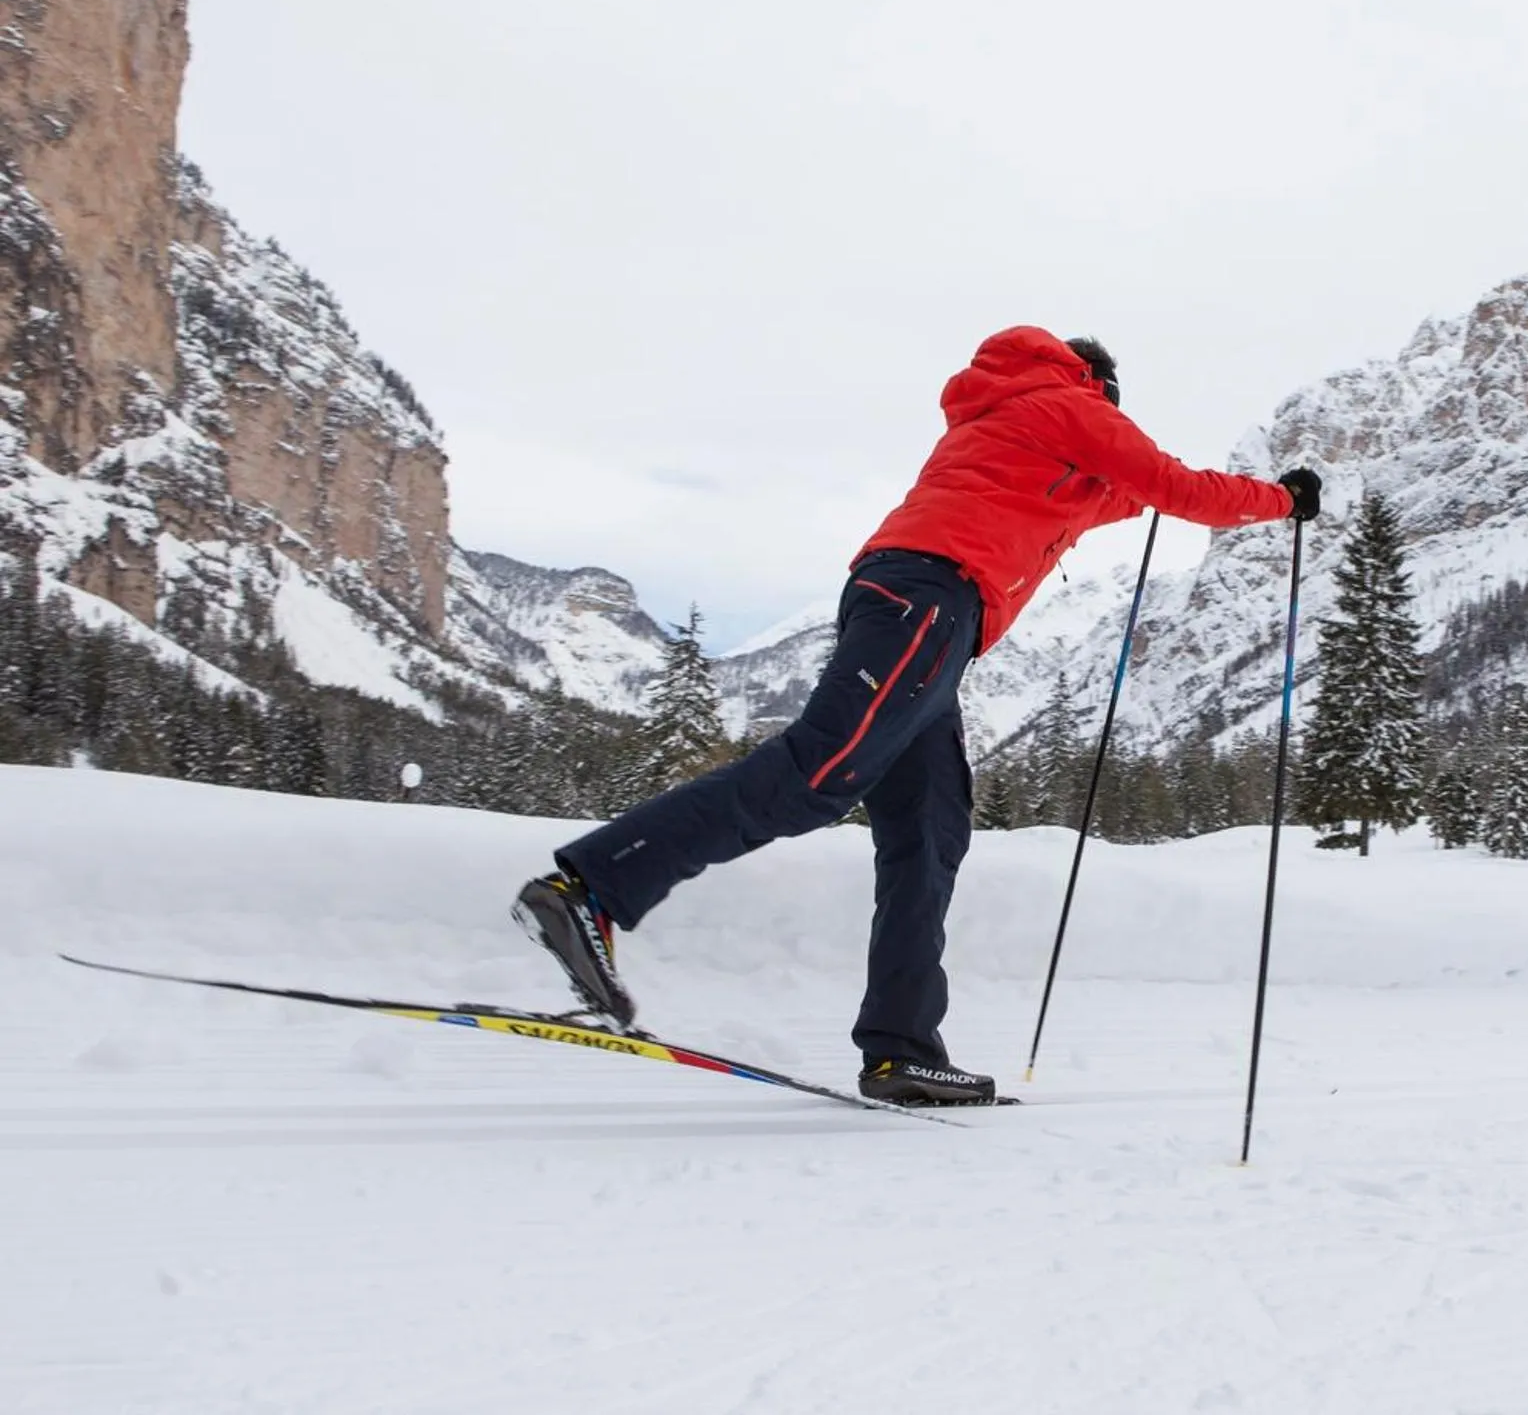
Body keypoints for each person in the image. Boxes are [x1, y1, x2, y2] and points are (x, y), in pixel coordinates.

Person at [515, 326, 1321, 1105]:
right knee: (819, 775)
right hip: (927, 600)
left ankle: (902, 1049)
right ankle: (591, 888)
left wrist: (1179, 494)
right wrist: (1281, 501)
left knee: (930, 831)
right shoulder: (1066, 403)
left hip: (923, 609)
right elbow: (1168, 483)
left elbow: (1132, 494)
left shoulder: (1015, 416)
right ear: (1098, 386)